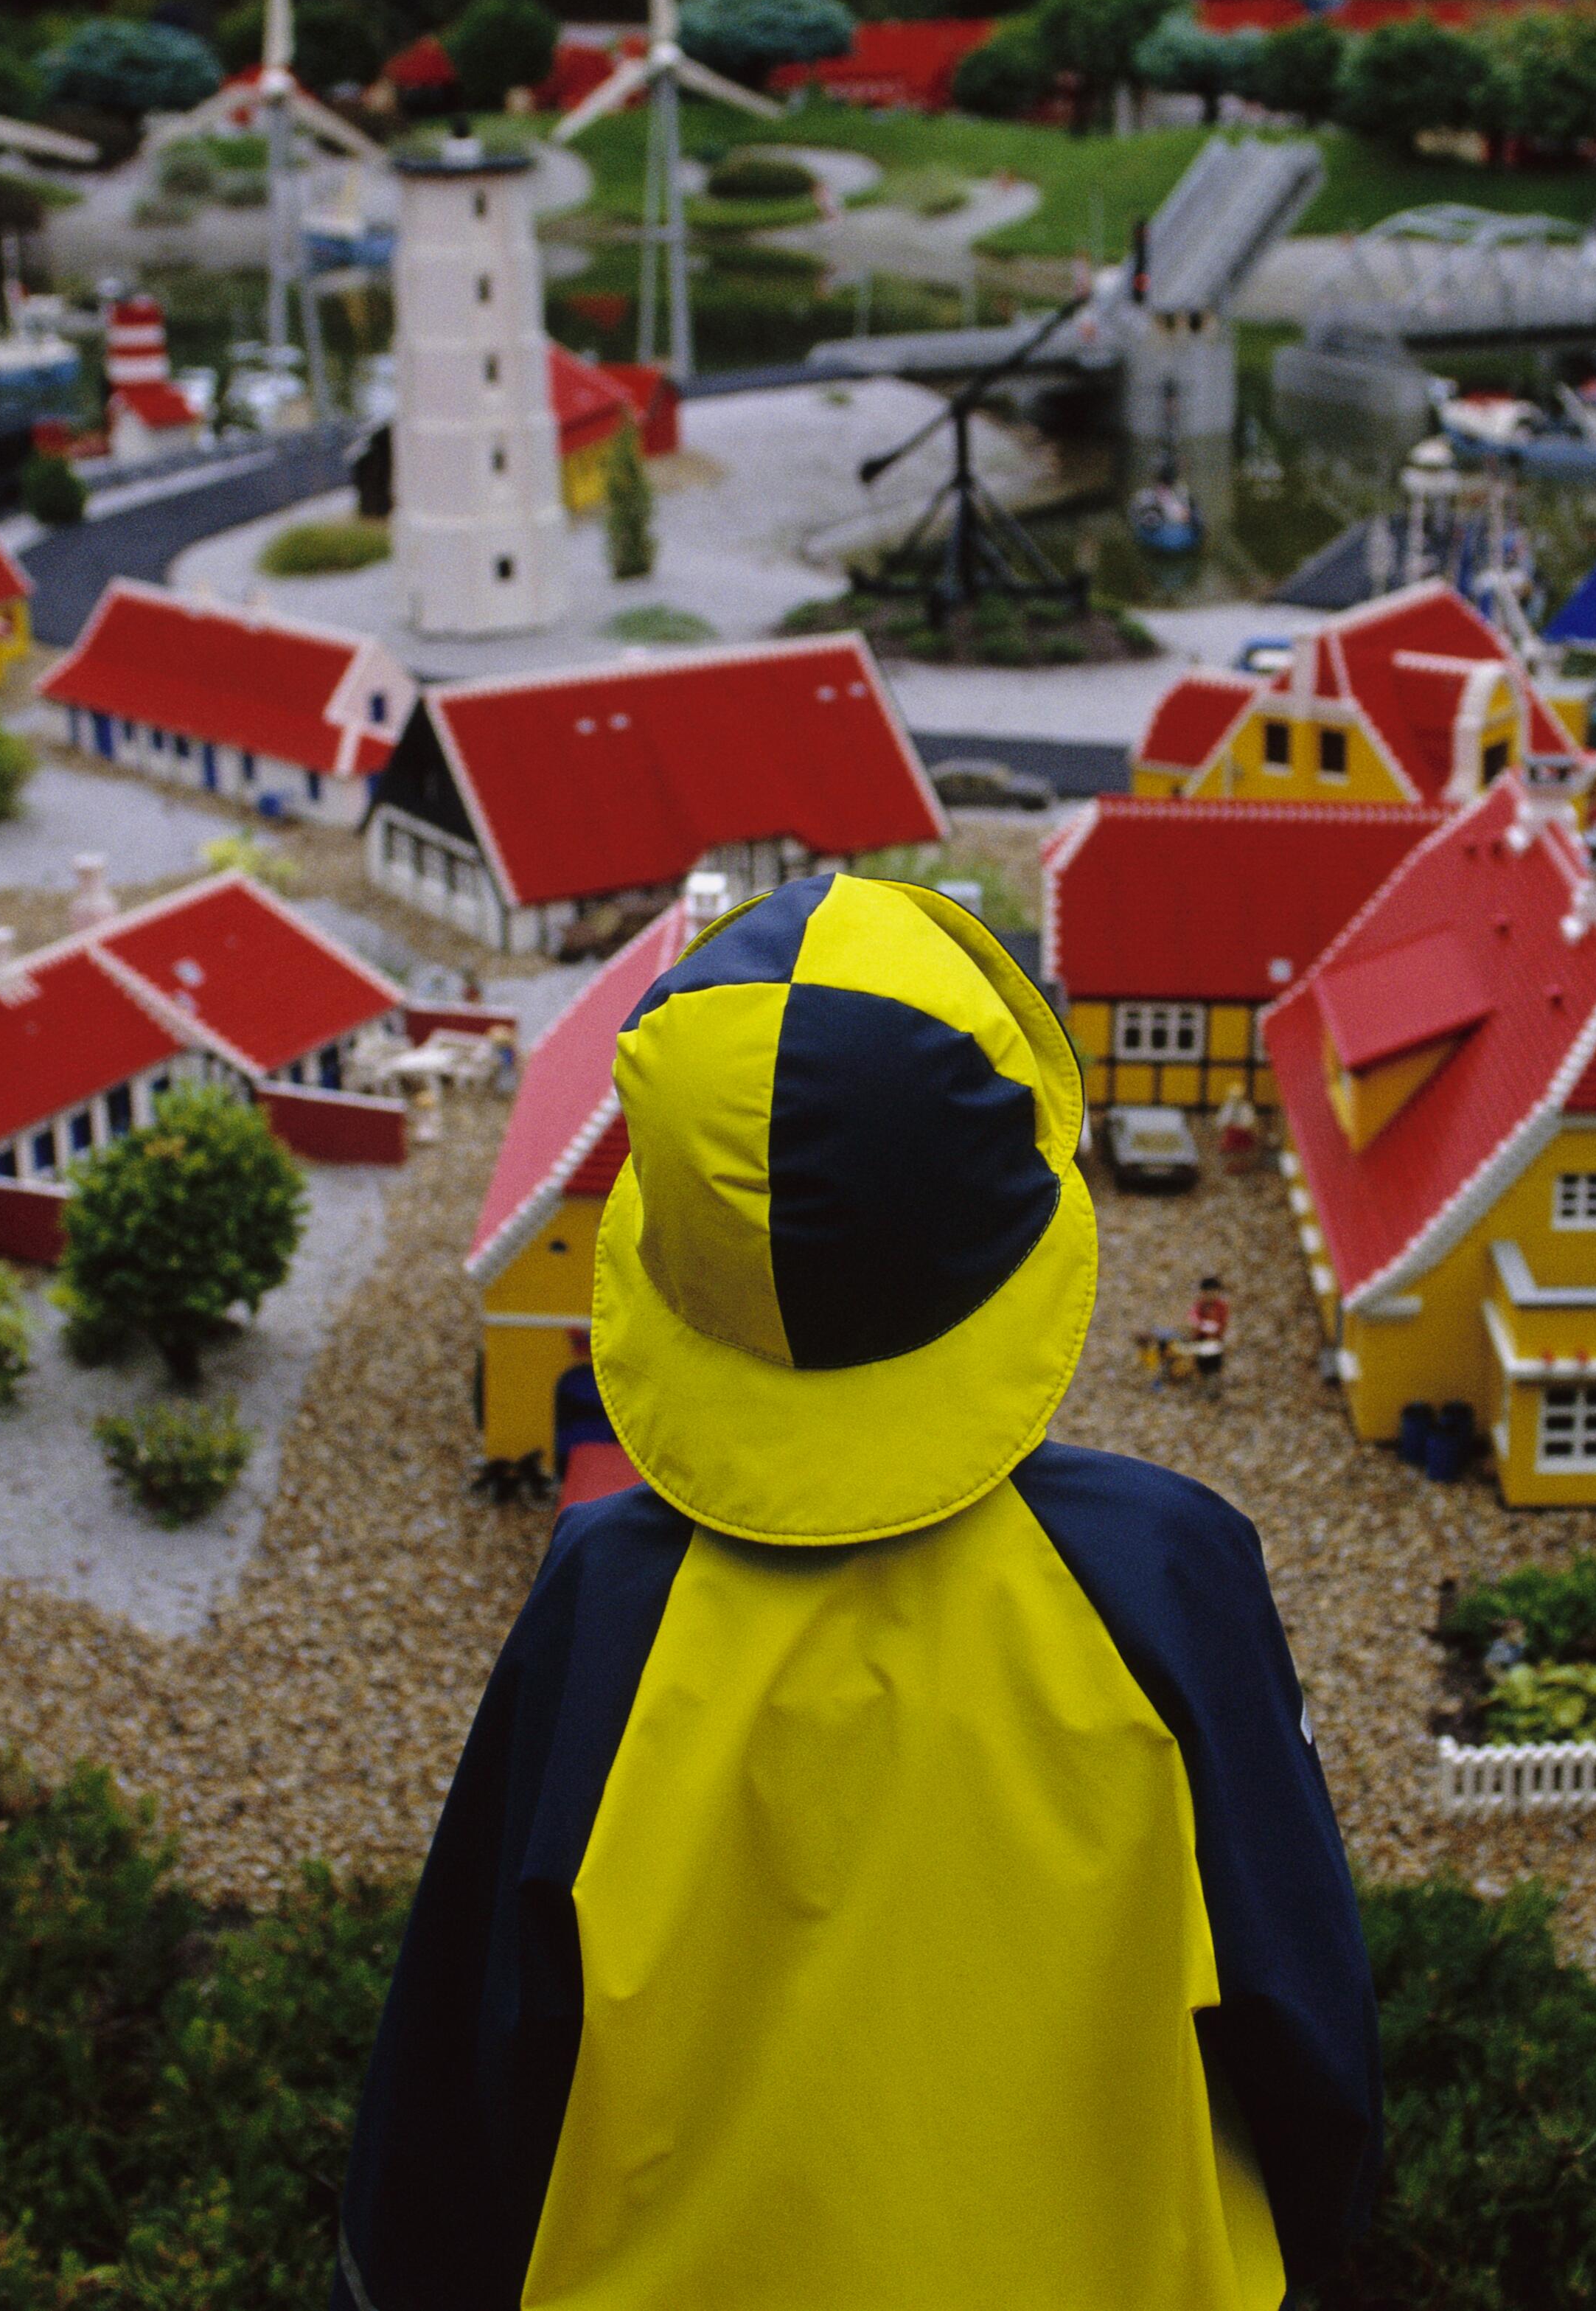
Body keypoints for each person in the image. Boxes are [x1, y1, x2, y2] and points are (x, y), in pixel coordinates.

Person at [336, 875, 1381, 2311]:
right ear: (1017, 1224)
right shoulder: (1165, 1572)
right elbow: (1309, 2037)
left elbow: (460, 2096)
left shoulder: (606, 1607)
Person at [1191, 1272, 1232, 1394]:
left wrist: (1216, 1330)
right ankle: (1204, 1387)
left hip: (1216, 1341)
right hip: (1201, 1341)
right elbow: (1193, 1319)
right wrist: (1202, 1326)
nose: (1210, 1295)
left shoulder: (1221, 1306)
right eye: (1207, 1292)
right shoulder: (1199, 1306)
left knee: (1215, 1366)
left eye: (1213, 1292)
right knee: (1202, 1366)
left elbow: (1223, 1322)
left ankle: (1214, 1389)